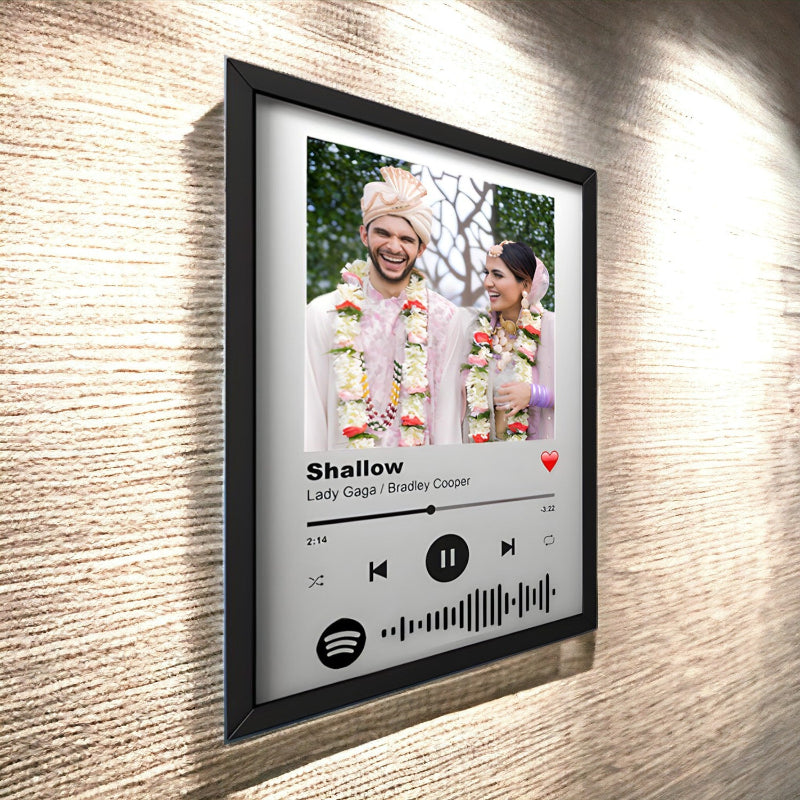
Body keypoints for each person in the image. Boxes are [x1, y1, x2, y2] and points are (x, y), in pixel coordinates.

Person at [305, 166, 462, 450]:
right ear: (365, 235)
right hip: (345, 483)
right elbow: (311, 417)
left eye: (406, 239)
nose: (394, 246)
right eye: (383, 233)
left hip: (423, 485)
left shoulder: (446, 318)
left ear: (421, 249)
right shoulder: (323, 313)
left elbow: (449, 419)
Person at [462, 240, 554, 442]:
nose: (487, 283)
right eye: (486, 273)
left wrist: (534, 394)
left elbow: (584, 395)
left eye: (498, 275)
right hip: (484, 460)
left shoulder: (551, 327)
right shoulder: (479, 331)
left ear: (526, 284)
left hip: (531, 460)